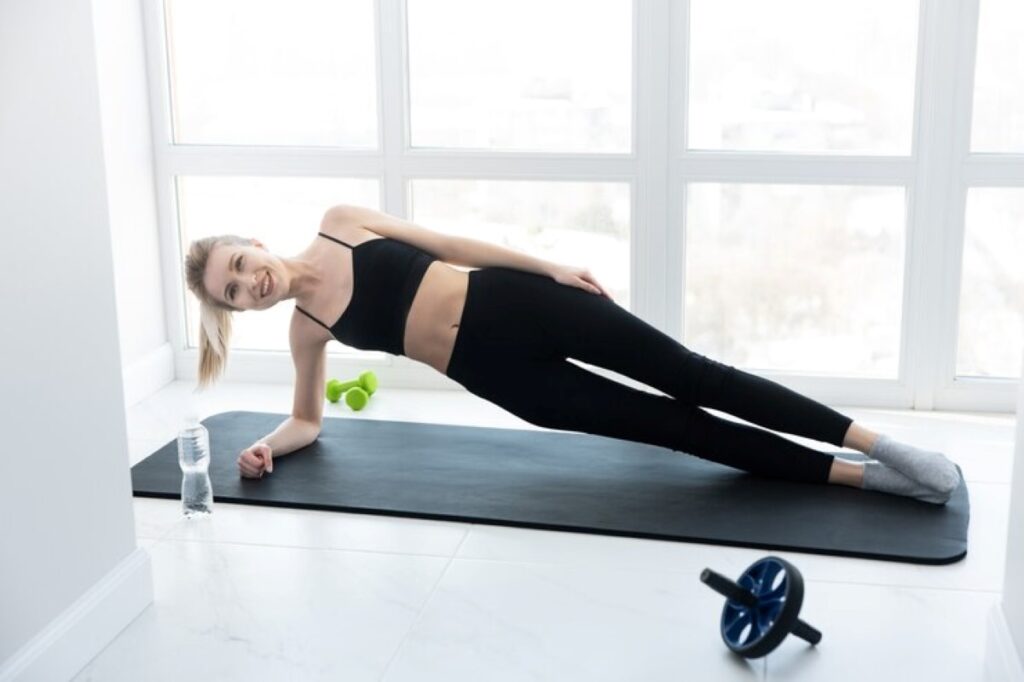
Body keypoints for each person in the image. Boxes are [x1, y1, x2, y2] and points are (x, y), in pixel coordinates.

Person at [184, 204, 961, 504]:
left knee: (697, 378)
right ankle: (862, 479)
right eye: (231, 292)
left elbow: (449, 243)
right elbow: (306, 420)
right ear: (234, 308)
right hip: (498, 378)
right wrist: (266, 447)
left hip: (517, 302)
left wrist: (547, 267)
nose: (248, 283)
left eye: (239, 266)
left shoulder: (342, 222)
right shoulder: (306, 331)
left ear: (253, 242)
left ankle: (882, 443)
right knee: (674, 429)